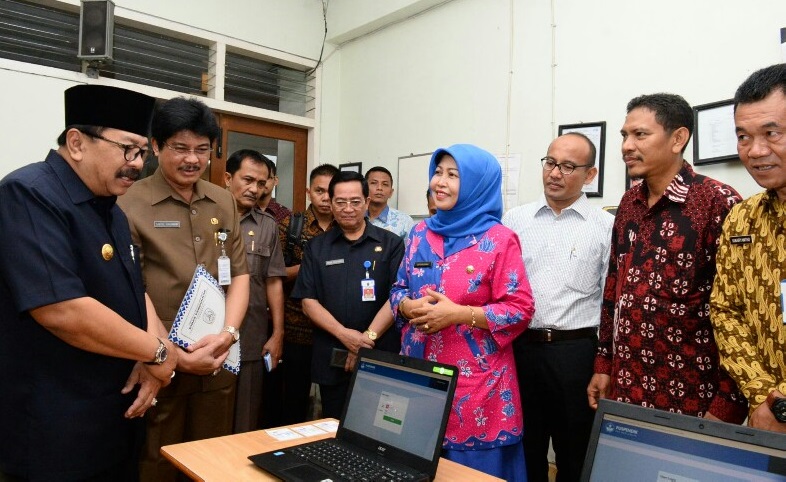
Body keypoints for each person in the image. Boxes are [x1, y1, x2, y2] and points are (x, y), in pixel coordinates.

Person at [0, 85, 177, 481]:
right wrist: (161, 354)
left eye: (142, 153)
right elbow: (62, 309)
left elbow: (135, 289)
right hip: (57, 431)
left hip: (115, 421)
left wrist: (158, 352)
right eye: (127, 149)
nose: (136, 164)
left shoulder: (111, 209)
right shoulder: (29, 193)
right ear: (77, 143)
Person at [587, 93, 748, 424]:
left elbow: (740, 309)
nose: (626, 146)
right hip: (626, 386)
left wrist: (727, 401)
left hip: (693, 393)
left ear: (678, 138)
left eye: (640, 135)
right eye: (624, 135)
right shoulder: (629, 202)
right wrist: (604, 363)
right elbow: (613, 288)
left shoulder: (718, 202)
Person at [118, 96, 250, 482]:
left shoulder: (223, 200)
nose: (192, 159)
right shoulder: (128, 201)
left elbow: (240, 273)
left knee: (213, 460)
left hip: (217, 359)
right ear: (156, 147)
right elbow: (128, 287)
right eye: (180, 148)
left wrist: (227, 335)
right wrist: (171, 354)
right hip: (156, 359)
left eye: (202, 149)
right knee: (157, 461)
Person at [390, 144, 534, 482]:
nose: (440, 182)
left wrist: (459, 315)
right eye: (438, 172)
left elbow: (520, 309)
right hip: (420, 376)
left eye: (453, 175)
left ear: (477, 184)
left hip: (477, 387)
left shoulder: (500, 239)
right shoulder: (419, 233)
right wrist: (407, 306)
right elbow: (398, 289)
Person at [502, 133, 614, 482]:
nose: (555, 173)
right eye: (550, 163)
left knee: (575, 452)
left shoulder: (605, 227)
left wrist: (604, 363)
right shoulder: (513, 221)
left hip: (575, 354)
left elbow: (611, 301)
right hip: (520, 349)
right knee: (525, 447)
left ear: (590, 175)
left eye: (568, 166)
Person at [710, 63, 786, 434]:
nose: (756, 151)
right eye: (743, 137)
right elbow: (726, 310)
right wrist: (763, 399)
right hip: (765, 419)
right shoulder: (742, 218)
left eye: (772, 133)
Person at [292, 170, 404, 419]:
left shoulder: (391, 244)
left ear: (366, 202)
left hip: (379, 354)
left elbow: (396, 297)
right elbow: (308, 302)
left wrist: (365, 340)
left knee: (382, 428)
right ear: (330, 204)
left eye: (355, 201)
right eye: (340, 202)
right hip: (333, 357)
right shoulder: (316, 247)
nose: (348, 208)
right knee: (336, 426)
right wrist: (345, 336)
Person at [260, 163, 339, 427]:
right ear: (308, 192)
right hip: (295, 328)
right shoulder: (289, 225)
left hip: (336, 331)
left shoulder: (348, 226)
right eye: (319, 191)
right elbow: (272, 273)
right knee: (291, 404)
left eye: (331, 191)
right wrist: (309, 268)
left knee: (335, 406)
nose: (326, 198)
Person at [224, 149, 286, 433]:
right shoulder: (206, 218)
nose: (255, 189)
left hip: (250, 336)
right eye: (248, 180)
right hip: (205, 334)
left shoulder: (267, 226)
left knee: (245, 420)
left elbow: (273, 281)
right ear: (228, 178)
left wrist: (277, 334)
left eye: (261, 183)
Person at [365, 166, 414, 237]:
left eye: (385, 184)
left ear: (391, 192)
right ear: (364, 189)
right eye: (374, 183)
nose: (379, 188)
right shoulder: (355, 217)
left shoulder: (405, 222)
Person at [258, 156, 292, 223]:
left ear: (275, 180)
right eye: (259, 178)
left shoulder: (286, 214)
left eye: (267, 177)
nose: (263, 182)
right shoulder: (244, 210)